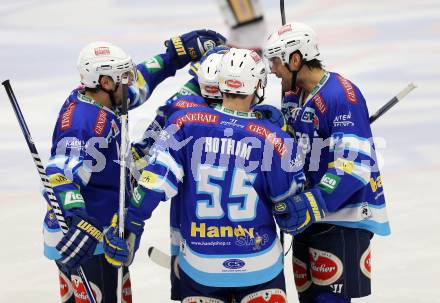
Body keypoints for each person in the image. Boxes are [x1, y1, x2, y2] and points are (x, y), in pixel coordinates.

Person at [103, 48, 326, 302]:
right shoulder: (274, 138)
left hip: (201, 266)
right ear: (258, 85)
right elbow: (289, 200)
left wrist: (130, 223)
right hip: (259, 264)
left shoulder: (183, 122)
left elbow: (153, 182)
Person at [43, 30, 226, 303]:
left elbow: (140, 81)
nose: (129, 84)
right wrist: (77, 216)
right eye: (122, 79)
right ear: (105, 82)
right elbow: (60, 173)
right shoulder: (84, 120)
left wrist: (171, 58)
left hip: (101, 231)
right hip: (84, 238)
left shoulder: (100, 97)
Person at [263, 22, 391, 303]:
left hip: (341, 217)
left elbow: (353, 167)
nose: (272, 69)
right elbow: (304, 144)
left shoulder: (341, 96)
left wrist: (313, 200)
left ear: (295, 59)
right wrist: (282, 127)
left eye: (275, 61)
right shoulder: (295, 93)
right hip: (313, 216)